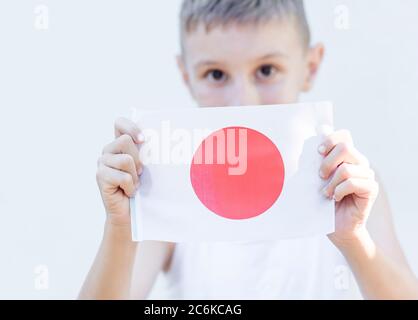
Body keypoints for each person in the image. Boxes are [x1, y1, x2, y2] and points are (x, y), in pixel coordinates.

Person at [79, 0, 418, 299]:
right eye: (216, 74)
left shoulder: (347, 183)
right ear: (186, 76)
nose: (244, 101)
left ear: (310, 66)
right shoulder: (165, 189)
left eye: (267, 70)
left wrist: (353, 239)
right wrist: (121, 228)